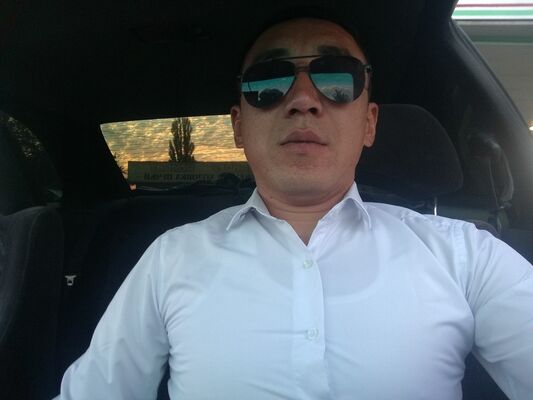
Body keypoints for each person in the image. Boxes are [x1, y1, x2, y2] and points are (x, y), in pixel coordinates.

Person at [54, 13, 533, 400]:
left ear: (369, 124)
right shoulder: (171, 258)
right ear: (239, 127)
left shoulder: (465, 256)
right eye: (268, 81)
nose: (303, 99)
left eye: (337, 78)